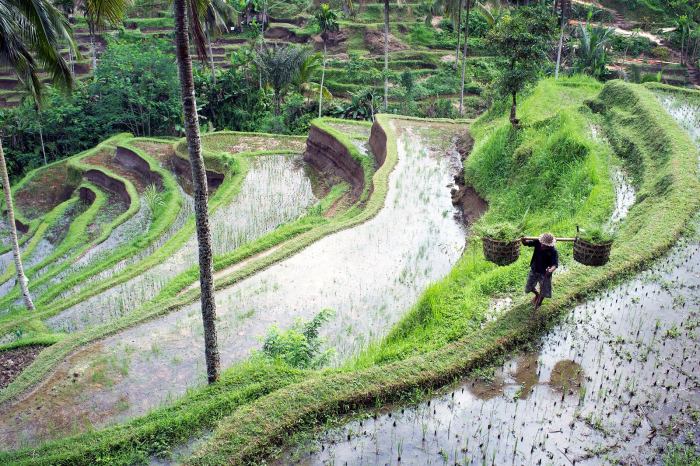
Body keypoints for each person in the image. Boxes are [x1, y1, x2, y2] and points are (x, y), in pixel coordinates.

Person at [522, 232, 559, 309]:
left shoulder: (553, 251)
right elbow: (526, 244)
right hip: (534, 269)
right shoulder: (538, 242)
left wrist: (550, 270)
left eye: (544, 245)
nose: (542, 245)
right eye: (542, 243)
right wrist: (523, 240)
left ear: (549, 245)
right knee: (528, 287)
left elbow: (555, 264)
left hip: (545, 273)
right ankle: (537, 294)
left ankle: (539, 303)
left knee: (544, 289)